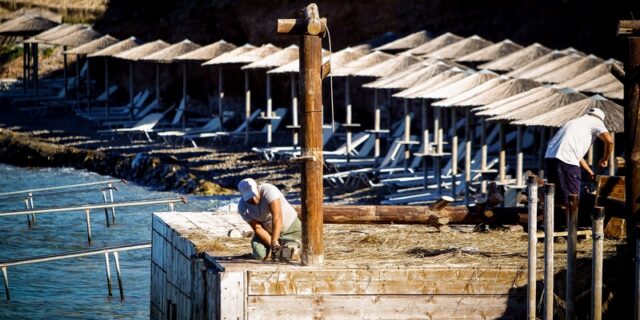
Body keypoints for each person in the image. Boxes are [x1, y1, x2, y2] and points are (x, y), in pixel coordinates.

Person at [545, 107, 614, 206]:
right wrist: (605, 159)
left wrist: (590, 172)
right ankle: (571, 221)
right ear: (601, 118)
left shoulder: (573, 122)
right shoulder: (597, 122)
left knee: (558, 197)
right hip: (566, 160)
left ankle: (557, 221)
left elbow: (578, 156)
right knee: (573, 198)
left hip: (550, 158)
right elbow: (610, 142)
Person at [237, 178, 301, 260]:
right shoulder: (242, 207)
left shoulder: (269, 190)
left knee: (288, 253)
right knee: (260, 254)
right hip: (267, 232)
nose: (253, 200)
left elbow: (277, 217)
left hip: (290, 229)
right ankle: (276, 250)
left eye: (254, 195)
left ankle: (293, 247)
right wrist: (272, 244)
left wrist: (274, 241)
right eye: (249, 198)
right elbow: (258, 228)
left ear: (257, 188)